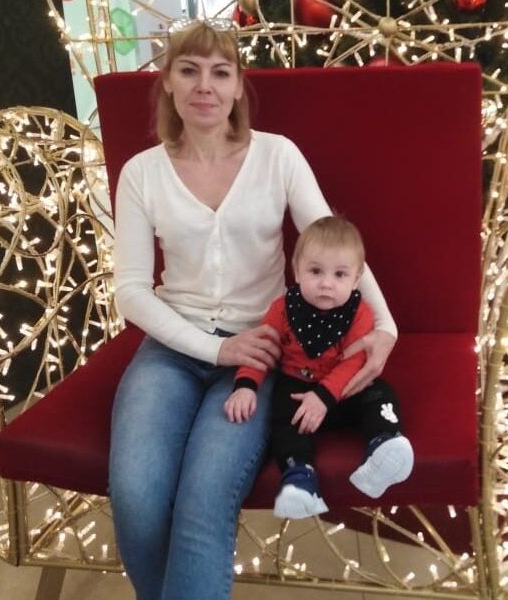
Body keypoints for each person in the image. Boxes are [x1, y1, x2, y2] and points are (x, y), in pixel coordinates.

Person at [108, 20, 398, 600]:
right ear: (168, 82)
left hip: (263, 355)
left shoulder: (277, 155)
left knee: (203, 500)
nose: (205, 86)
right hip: (172, 348)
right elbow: (131, 291)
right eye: (189, 70)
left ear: (239, 86)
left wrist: (385, 326)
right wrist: (215, 348)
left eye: (221, 73)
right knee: (137, 497)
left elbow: (334, 245)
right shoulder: (142, 172)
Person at [224, 216, 414, 519]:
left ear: (356, 279)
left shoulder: (360, 314)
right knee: (282, 417)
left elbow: (355, 361)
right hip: (297, 391)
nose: (326, 283)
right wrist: (245, 386)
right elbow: (261, 350)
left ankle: (384, 444)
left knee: (380, 392)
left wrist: (324, 397)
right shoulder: (282, 309)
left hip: (343, 391)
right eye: (315, 271)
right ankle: (300, 478)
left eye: (340, 274)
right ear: (296, 269)